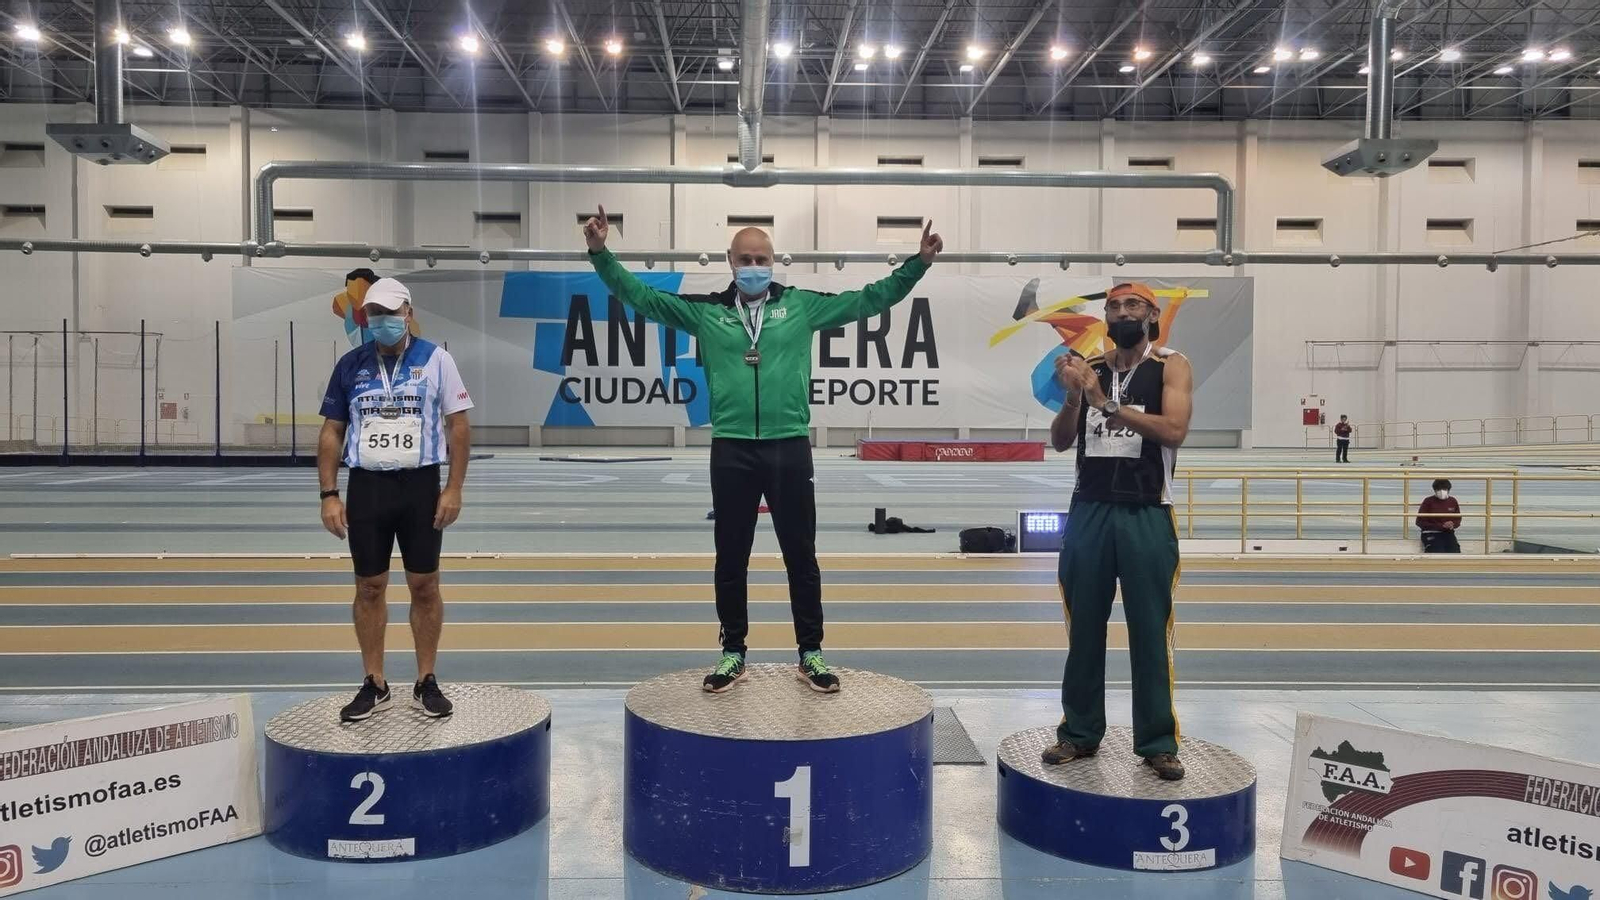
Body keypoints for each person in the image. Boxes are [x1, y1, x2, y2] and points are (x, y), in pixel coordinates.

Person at [582, 206, 943, 694]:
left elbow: (869, 300)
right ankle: (733, 652)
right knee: (731, 557)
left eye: (762, 257)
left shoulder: (800, 306)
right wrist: (601, 253)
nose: (754, 265)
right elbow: (640, 297)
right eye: (745, 258)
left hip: (788, 447)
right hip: (732, 448)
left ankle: (810, 653)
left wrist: (917, 264)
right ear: (730, 262)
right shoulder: (707, 313)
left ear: (775, 261)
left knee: (801, 556)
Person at [1042, 281, 1193, 781]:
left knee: (1150, 631)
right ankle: (1079, 733)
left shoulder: (1171, 364)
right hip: (1089, 510)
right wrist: (1073, 398)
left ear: (1151, 316)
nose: (1121, 312)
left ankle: (1157, 742)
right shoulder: (1092, 370)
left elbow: (1174, 431)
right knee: (1083, 627)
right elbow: (1061, 442)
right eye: (1114, 306)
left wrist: (1103, 402)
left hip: (1147, 510)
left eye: (1133, 306)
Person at [317, 277, 474, 722]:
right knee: (369, 587)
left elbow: (458, 427)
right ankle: (375, 682)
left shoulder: (437, 360)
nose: (382, 321)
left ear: (408, 312)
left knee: (425, 586)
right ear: (365, 318)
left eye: (391, 312)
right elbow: (332, 431)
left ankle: (426, 679)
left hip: (420, 486)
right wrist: (329, 493)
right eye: (374, 315)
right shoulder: (350, 365)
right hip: (367, 487)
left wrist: (454, 487)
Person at [1417, 478, 1462, 553]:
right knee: (1436, 550)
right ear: (1434, 490)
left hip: (1448, 533)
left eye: (1444, 489)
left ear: (1448, 490)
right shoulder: (1428, 501)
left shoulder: (1453, 501)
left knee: (1455, 550)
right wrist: (1441, 526)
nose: (1441, 492)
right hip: (1431, 532)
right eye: (1438, 490)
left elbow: (1458, 519)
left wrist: (1452, 524)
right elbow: (1419, 522)